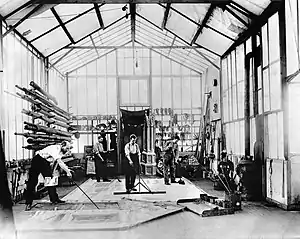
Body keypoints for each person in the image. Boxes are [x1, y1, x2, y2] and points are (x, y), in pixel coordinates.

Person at [24, 141, 73, 211]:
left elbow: (56, 163)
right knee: (33, 181)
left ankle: (54, 199)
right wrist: (68, 172)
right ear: (62, 145)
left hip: (45, 162)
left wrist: (53, 172)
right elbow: (60, 162)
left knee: (50, 180)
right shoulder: (55, 148)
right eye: (67, 148)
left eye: (68, 149)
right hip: (38, 160)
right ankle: (28, 203)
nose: (67, 150)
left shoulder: (61, 152)